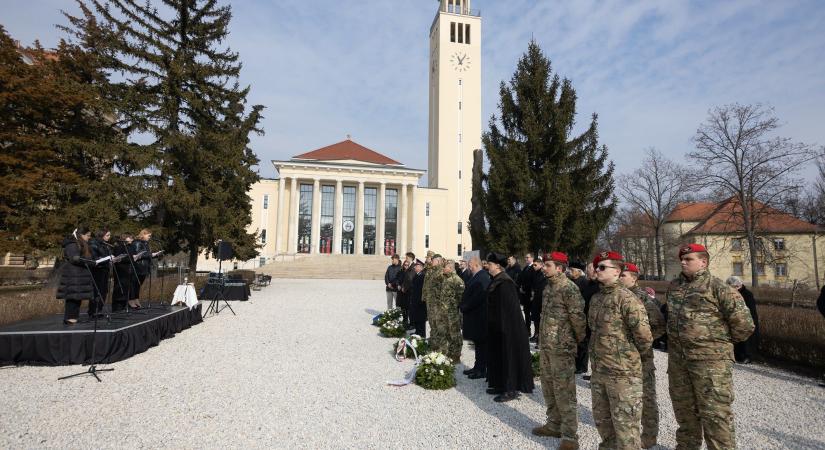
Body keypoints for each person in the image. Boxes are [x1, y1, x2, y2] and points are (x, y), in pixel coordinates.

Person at [667, 243, 754, 450]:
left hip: (711, 365)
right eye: (682, 258)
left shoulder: (719, 288)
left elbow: (744, 325)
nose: (683, 262)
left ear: (703, 262)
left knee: (716, 416)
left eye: (688, 259)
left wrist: (717, 345)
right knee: (684, 413)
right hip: (679, 363)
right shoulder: (674, 287)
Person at [589, 251, 653, 450]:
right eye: (596, 266)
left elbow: (644, 336)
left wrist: (625, 358)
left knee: (626, 429)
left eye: (602, 267)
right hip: (600, 371)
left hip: (623, 374)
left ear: (617, 271)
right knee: (603, 422)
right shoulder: (597, 298)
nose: (597, 270)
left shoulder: (627, 299)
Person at [532, 251, 586, 450]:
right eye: (544, 265)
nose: (544, 268)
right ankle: (554, 424)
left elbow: (578, 320)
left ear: (560, 268)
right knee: (548, 387)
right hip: (547, 346)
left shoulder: (569, 289)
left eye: (548, 265)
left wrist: (577, 343)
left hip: (562, 349)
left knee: (565, 392)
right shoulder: (548, 287)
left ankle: (570, 435)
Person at [620, 262, 666, 449]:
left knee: (646, 396)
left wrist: (642, 343)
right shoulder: (616, 295)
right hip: (621, 358)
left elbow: (660, 326)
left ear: (634, 278)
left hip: (641, 357)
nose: (620, 277)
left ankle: (649, 434)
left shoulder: (643, 299)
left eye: (624, 275)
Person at [485, 252, 534, 403]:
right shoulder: (496, 280)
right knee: (499, 356)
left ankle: (510, 388)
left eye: (490, 264)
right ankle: (500, 384)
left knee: (509, 357)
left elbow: (508, 310)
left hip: (508, 329)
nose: (488, 266)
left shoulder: (505, 283)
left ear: (498, 266)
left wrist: (503, 328)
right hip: (498, 327)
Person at [56, 227, 96, 325]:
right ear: (81, 235)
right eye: (88, 236)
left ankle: (74, 316)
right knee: (72, 297)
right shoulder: (72, 244)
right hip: (73, 275)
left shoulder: (82, 244)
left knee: (78, 297)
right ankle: (69, 317)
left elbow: (85, 257)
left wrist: (92, 261)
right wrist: (88, 261)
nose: (89, 238)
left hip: (80, 274)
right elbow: (74, 259)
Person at [459, 256, 491, 379]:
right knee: (477, 343)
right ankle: (477, 367)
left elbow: (478, 297)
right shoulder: (476, 276)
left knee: (481, 344)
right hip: (474, 315)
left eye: (470, 264)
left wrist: (465, 306)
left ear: (477, 265)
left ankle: (481, 370)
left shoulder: (482, 277)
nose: (469, 267)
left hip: (479, 316)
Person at [726, 276, 759, 364]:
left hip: (746, 319)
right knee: (737, 339)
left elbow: (750, 309)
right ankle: (737, 355)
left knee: (747, 340)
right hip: (735, 319)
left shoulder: (747, 294)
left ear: (738, 286)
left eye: (732, 287)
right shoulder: (729, 293)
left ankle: (748, 356)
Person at [575, 263, 600, 376]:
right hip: (584, 316)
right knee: (583, 343)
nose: (587, 270)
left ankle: (589, 370)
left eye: (589, 268)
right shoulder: (588, 283)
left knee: (593, 347)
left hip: (594, 320)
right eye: (587, 268)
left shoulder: (599, 285)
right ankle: (582, 366)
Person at [438, 260, 465, 362]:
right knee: (447, 333)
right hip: (444, 311)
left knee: (455, 334)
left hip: (452, 312)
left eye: (444, 267)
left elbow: (461, 297)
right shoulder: (446, 278)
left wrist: (454, 306)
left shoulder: (457, 280)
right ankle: (450, 352)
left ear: (450, 268)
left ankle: (456, 355)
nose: (443, 269)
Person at [132, 228, 160, 308]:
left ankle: (136, 299)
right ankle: (132, 300)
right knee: (135, 285)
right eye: (149, 235)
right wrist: (151, 255)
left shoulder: (146, 243)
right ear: (143, 234)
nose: (149, 237)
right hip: (138, 267)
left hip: (144, 267)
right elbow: (138, 255)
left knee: (138, 285)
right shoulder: (137, 243)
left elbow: (146, 254)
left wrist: (155, 255)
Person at [89, 228, 113, 317]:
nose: (109, 237)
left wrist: (112, 258)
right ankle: (93, 310)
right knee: (97, 291)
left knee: (104, 291)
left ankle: (99, 309)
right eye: (107, 235)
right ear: (101, 235)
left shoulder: (105, 244)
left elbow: (108, 254)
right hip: (97, 270)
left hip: (105, 269)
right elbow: (95, 257)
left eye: (109, 235)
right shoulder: (94, 244)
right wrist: (105, 259)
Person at [111, 233, 136, 312]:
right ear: (125, 238)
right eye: (130, 238)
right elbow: (118, 258)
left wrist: (134, 257)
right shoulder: (119, 246)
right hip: (120, 270)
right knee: (119, 288)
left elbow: (132, 255)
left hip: (128, 269)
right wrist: (129, 258)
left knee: (126, 288)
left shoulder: (130, 246)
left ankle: (123, 305)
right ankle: (117, 307)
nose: (132, 239)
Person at [529, 256, 546, 343]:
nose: (534, 266)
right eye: (533, 265)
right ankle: (536, 334)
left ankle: (539, 337)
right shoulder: (535, 273)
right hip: (535, 299)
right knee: (535, 319)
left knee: (540, 320)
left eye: (535, 265)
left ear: (541, 265)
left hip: (542, 299)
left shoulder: (544, 274)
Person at [518, 253, 536, 337]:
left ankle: (535, 333)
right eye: (525, 257)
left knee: (533, 315)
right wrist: (521, 287)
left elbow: (532, 281)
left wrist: (525, 288)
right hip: (525, 294)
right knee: (526, 313)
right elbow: (521, 279)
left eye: (528, 257)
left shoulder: (533, 268)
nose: (526, 259)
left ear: (532, 258)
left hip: (530, 294)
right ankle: (527, 330)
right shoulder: (525, 268)